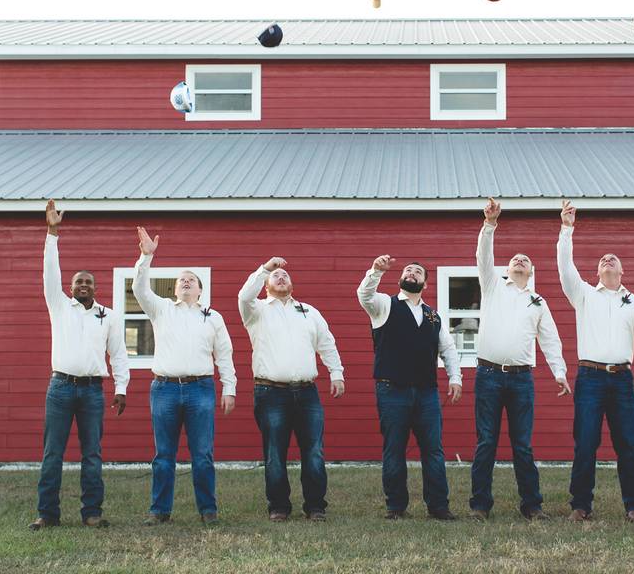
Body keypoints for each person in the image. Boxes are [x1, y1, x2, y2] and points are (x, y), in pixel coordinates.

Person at [557, 200, 634, 522]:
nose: (607, 260)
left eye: (613, 259)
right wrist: (567, 228)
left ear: (621, 271)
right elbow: (565, 266)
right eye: (603, 259)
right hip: (589, 378)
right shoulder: (584, 294)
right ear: (598, 271)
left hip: (621, 380)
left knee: (627, 444)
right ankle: (581, 505)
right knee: (585, 443)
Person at [469, 198, 570, 522]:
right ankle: (480, 505)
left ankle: (532, 505)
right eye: (515, 258)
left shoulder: (537, 302)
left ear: (531, 271)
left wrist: (559, 372)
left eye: (525, 259)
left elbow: (550, 339)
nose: (520, 260)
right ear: (508, 268)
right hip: (487, 375)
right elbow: (483, 257)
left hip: (521, 379)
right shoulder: (492, 286)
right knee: (486, 442)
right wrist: (490, 224)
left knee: (522, 445)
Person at [31, 199, 130, 531]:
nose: (83, 285)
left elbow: (118, 354)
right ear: (70, 289)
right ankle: (47, 514)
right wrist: (52, 232)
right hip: (60, 388)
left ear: (95, 288)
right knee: (52, 453)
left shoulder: (109, 316)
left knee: (92, 454)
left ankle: (92, 512)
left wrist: (121, 388)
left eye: (88, 281)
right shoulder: (59, 307)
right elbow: (50, 271)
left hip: (92, 392)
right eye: (78, 282)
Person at [133, 226, 237, 526]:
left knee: (202, 454)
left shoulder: (212, 317)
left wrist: (229, 388)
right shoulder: (161, 309)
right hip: (164, 388)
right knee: (163, 454)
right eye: (181, 280)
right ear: (175, 289)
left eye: (191, 280)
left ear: (201, 289)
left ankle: (208, 510)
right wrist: (145, 257)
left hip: (200, 389)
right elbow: (140, 289)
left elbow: (225, 355)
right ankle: (159, 510)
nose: (186, 282)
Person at [238, 257, 345, 522]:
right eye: (275, 275)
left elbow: (327, 343)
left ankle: (316, 506)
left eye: (284, 274)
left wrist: (337, 372)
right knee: (275, 452)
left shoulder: (309, 311)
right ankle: (279, 507)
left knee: (313, 451)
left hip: (307, 393)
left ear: (292, 283)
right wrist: (265, 267)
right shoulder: (256, 310)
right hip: (271, 393)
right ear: (266, 284)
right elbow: (243, 294)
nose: (280, 276)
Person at [357, 256, 462, 520]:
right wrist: (375, 271)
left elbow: (447, 348)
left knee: (434, 450)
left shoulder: (433, 315)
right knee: (394, 448)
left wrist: (455, 377)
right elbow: (364, 295)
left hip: (427, 392)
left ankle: (438, 506)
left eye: (417, 272)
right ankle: (396, 507)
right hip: (392, 390)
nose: (412, 273)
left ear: (425, 283)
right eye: (407, 270)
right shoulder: (383, 305)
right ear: (401, 279)